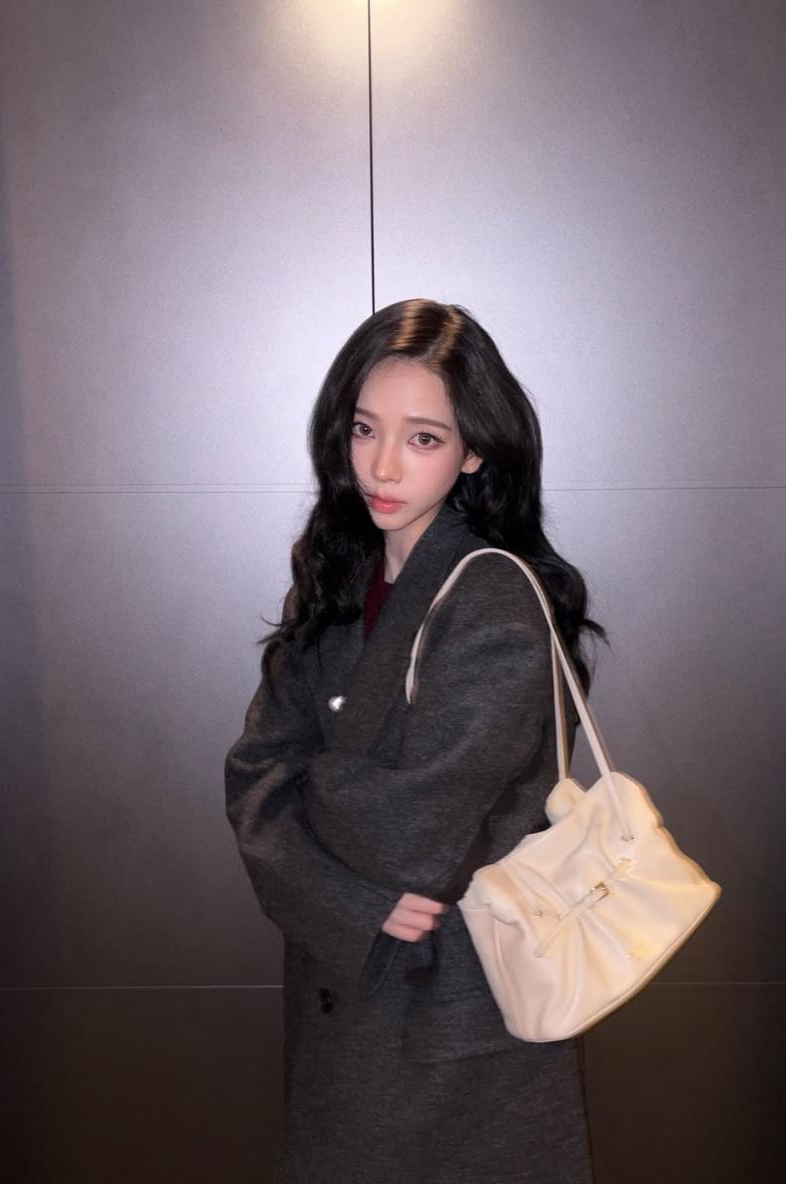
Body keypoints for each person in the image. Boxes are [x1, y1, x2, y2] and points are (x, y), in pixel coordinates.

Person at [224, 298, 607, 1184]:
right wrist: (346, 896)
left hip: (451, 1018)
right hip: (351, 988)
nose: (383, 465)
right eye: (365, 429)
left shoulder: (494, 601)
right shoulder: (338, 579)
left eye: (423, 438)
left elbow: (408, 833)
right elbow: (253, 774)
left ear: (475, 451)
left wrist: (306, 793)